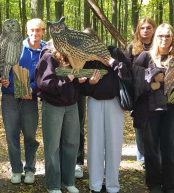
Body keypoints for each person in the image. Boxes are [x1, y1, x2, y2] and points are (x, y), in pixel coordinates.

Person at [80, 29, 133, 193]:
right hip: (95, 103)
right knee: (94, 144)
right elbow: (82, 89)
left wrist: (112, 62)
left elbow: (128, 75)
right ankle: (95, 185)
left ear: (97, 38)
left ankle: (112, 186)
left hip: (115, 104)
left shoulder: (115, 52)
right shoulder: (86, 59)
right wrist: (90, 83)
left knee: (114, 144)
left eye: (90, 39)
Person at [1, 18, 47, 184]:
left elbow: (46, 75)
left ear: (43, 32)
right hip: (10, 97)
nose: (35, 33)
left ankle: (30, 169)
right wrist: (4, 79)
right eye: (32, 30)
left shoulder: (46, 50)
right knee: (11, 135)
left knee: (30, 135)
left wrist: (33, 88)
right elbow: (3, 68)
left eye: (38, 30)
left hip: (30, 99)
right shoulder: (15, 46)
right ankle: (16, 169)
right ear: (27, 31)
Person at [35, 41, 83, 193]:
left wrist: (80, 81)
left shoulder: (73, 57)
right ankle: (53, 185)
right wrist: (66, 79)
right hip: (53, 106)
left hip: (71, 105)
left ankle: (68, 181)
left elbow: (76, 83)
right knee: (53, 147)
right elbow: (43, 83)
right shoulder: (48, 57)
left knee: (71, 143)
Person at [133, 23, 174, 193]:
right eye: (160, 35)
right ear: (155, 37)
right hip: (148, 111)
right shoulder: (145, 57)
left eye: (167, 36)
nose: (163, 39)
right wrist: (152, 84)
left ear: (172, 38)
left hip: (171, 111)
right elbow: (133, 83)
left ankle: (170, 184)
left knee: (169, 149)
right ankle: (154, 184)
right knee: (150, 150)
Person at [124, 18, 156, 170]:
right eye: (142, 28)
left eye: (148, 27)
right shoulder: (131, 48)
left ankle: (156, 157)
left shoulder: (160, 46)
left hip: (157, 94)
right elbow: (124, 69)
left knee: (157, 126)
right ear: (138, 30)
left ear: (154, 29)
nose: (145, 30)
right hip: (137, 94)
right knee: (140, 126)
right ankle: (143, 158)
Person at [75, 28, 101, 179]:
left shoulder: (100, 54)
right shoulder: (75, 52)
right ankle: (66, 161)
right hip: (70, 93)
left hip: (90, 95)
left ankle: (79, 162)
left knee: (79, 127)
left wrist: (90, 82)